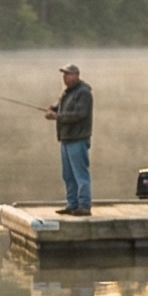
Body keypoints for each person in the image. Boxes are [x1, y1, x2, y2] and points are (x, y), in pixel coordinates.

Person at [45, 64, 93, 215]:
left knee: (80, 175)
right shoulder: (68, 93)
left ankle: (84, 206)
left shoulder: (84, 93)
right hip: (66, 139)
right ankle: (72, 204)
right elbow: (60, 106)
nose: (65, 78)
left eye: (68, 74)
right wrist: (53, 108)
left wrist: (57, 117)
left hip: (78, 139)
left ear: (76, 75)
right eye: (64, 75)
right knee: (68, 175)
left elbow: (79, 114)